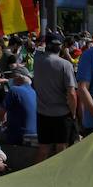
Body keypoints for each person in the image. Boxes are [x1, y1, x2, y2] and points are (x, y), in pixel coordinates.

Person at [32, 32, 77, 162]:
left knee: (43, 149)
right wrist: (74, 114)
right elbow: (72, 93)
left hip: (42, 112)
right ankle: (59, 174)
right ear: (61, 46)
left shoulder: (37, 60)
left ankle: (36, 173)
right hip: (62, 114)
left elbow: (37, 48)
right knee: (61, 149)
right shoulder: (65, 65)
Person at [0, 64, 37, 146]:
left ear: (20, 77)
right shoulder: (34, 92)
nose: (11, 80)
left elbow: (0, 113)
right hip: (34, 133)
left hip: (18, 136)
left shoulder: (14, 90)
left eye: (13, 77)